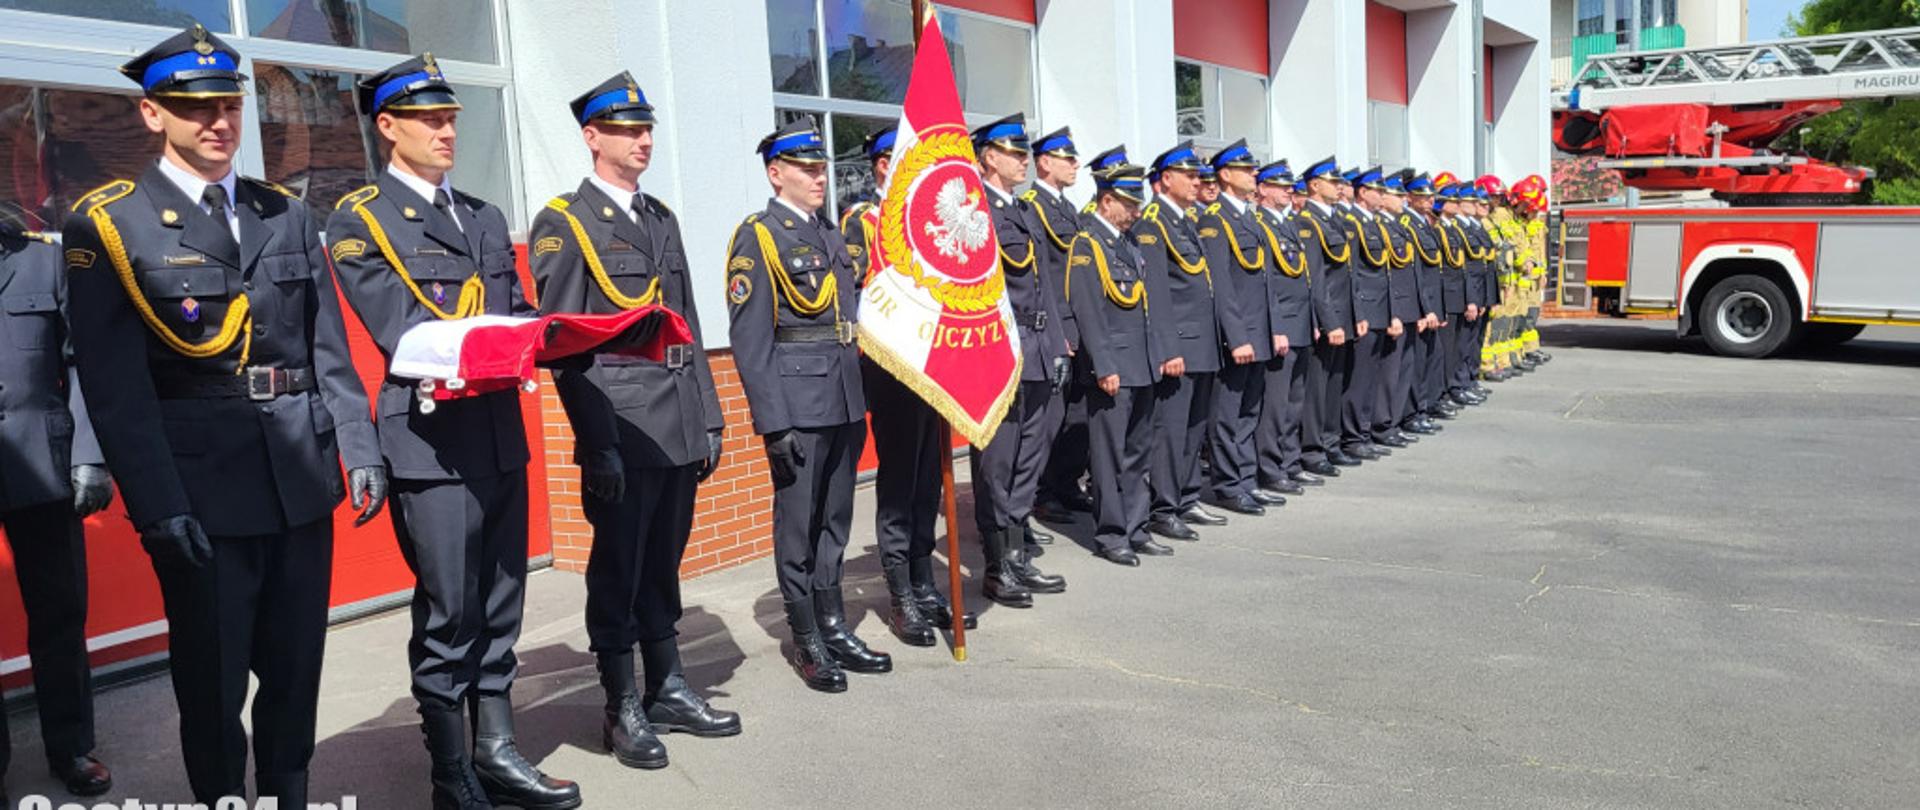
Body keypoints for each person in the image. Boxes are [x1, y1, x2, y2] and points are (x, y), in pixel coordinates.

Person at [63, 25, 384, 807]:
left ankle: (289, 793)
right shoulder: (111, 223)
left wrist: (360, 446)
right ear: (152, 114)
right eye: (192, 106)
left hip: (299, 481)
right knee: (211, 685)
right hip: (202, 495)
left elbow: (327, 349)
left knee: (296, 669)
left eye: (227, 104)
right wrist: (158, 504)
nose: (217, 121)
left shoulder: (287, 213)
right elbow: (114, 386)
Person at [325, 54, 578, 810]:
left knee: (503, 601)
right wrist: (508, 336)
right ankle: (450, 770)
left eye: (452, 118)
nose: (447, 130)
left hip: (498, 430)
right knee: (451, 611)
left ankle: (497, 749)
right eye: (430, 118)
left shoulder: (483, 215)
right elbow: (400, 333)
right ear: (388, 125)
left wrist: (563, 331)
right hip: (430, 443)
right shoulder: (360, 217)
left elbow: (512, 309)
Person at [529, 71, 740, 772]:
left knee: (664, 562)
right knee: (618, 567)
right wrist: (598, 446)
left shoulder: (659, 218)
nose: (642, 139)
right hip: (621, 423)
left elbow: (688, 324)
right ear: (592, 138)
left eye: (645, 128)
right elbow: (565, 347)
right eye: (625, 129)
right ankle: (620, 703)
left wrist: (709, 415)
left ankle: (669, 685)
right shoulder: (566, 222)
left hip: (676, 420)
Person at [726, 120, 883, 693]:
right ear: (776, 173)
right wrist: (774, 423)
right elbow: (750, 340)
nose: (819, 177)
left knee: (835, 523)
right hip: (798, 404)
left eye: (821, 167)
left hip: (843, 399)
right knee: (798, 527)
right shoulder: (760, 236)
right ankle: (807, 637)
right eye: (806, 168)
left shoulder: (829, 233)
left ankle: (834, 622)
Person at [840, 126, 972, 645]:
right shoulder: (863, 222)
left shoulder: (926, 223)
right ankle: (901, 597)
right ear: (881, 166)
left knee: (927, 481)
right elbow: (858, 292)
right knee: (898, 484)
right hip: (893, 368)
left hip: (933, 365)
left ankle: (923, 582)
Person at [0, 208, 114, 802]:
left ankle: (71, 746)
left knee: (59, 613)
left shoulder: (44, 263)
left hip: (44, 466)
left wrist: (91, 455)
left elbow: (88, 364)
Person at [967, 114, 1069, 608]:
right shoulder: (975, 211)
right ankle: (997, 565)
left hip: (1036, 350)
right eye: (1013, 151)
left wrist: (1057, 348)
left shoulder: (1024, 211)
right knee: (997, 464)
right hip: (998, 352)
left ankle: (1018, 553)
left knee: (1030, 456)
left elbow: (1045, 285)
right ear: (988, 156)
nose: (1023, 159)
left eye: (1023, 151)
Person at [1062, 154, 1160, 566]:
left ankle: (1136, 526)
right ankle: (1111, 534)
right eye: (1128, 203)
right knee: (1108, 457)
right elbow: (1089, 312)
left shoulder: (1129, 243)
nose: (1135, 211)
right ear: (1106, 201)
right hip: (1114, 369)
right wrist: (1105, 366)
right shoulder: (1088, 245)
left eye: (1137, 203)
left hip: (1141, 363)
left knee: (1139, 452)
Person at [1138, 141, 1220, 545]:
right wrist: (1168, 348)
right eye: (1189, 176)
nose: (1196, 182)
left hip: (1201, 342)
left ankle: (1187, 497)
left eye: (1197, 176)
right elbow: (1157, 292)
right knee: (1169, 432)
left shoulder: (1187, 219)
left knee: (1193, 428)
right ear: (1165, 179)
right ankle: (1164, 507)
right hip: (1180, 345)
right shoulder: (1154, 222)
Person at [1195, 139, 1277, 516]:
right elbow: (1221, 286)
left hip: (1258, 331)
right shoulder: (1215, 220)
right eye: (1246, 170)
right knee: (1228, 413)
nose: (1254, 174)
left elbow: (1264, 281)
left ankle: (1245, 479)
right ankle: (1228, 485)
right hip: (1238, 335)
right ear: (1226, 175)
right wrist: (1237, 337)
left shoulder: (1249, 217)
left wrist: (1273, 329)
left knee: (1249, 410)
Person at [1028, 127, 1096, 525]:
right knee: (1050, 418)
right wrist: (1060, 330)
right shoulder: (1033, 206)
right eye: (1067, 159)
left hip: (1079, 323)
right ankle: (1042, 492)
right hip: (1057, 327)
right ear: (1045, 162)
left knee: (1078, 415)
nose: (1075, 166)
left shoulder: (1069, 209)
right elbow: (1044, 278)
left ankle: (1066, 483)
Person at [1250, 162, 1317, 496]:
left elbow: (1302, 278)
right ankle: (1269, 466)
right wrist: (1275, 328)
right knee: (1274, 405)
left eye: (1290, 185)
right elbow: (1267, 285)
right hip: (1281, 326)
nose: (1289, 190)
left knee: (1294, 401)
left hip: (1300, 323)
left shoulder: (1288, 224)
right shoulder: (1259, 224)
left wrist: (1313, 322)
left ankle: (1290, 461)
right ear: (1262, 189)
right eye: (1280, 185)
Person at [1295, 157, 1357, 475]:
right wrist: (1328, 321)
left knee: (1334, 384)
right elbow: (1316, 280)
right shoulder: (1307, 222)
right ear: (1315, 186)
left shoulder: (1335, 220)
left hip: (1342, 315)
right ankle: (1312, 449)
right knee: (1317, 387)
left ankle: (1331, 443)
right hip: (1326, 317)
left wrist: (1352, 316)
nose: (1340, 187)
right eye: (1333, 183)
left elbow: (1346, 275)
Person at [1341, 167, 1395, 460]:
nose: (1383, 196)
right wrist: (1358, 312)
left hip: (1378, 310)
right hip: (1364, 311)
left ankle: (1362, 431)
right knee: (1358, 379)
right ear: (1363, 192)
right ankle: (1352, 436)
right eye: (1378, 191)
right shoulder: (1353, 224)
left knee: (1370, 377)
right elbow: (1352, 274)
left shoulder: (1372, 223)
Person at [1396, 172, 1453, 433]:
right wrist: (1424, 309)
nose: (1430, 200)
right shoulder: (1408, 223)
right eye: (1423, 196)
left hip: (1430, 302)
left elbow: (1434, 271)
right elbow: (1415, 271)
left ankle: (1424, 406)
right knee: (1416, 363)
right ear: (1410, 197)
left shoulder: (1424, 223)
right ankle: (1413, 413)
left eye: (1431, 196)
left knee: (1430, 358)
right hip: (1420, 304)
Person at [1372, 170, 1422, 449]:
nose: (1404, 198)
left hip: (1408, 306)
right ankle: (1383, 424)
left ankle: (1395, 420)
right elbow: (1386, 274)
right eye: (1397, 194)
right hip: (1394, 308)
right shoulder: (1380, 226)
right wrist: (1392, 312)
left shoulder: (1399, 225)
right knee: (1388, 373)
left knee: (1403, 370)